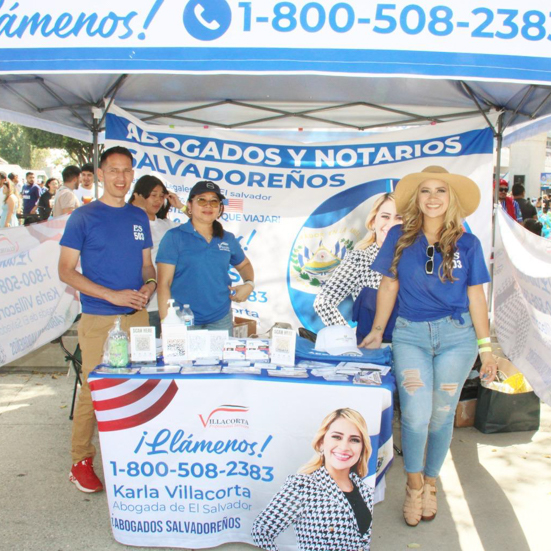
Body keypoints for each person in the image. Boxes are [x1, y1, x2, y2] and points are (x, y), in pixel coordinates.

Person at [361, 166, 498, 527]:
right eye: (425, 191)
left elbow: (476, 296)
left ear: (450, 198)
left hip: (458, 337)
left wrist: (487, 347)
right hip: (410, 336)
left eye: (441, 190)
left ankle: (432, 484)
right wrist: (378, 330)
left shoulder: (468, 243)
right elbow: (388, 285)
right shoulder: (398, 238)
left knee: (441, 415)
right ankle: (413, 483)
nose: (433, 197)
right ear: (416, 198)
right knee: (417, 415)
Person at [58, 146, 156, 493]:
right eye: (114, 170)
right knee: (96, 390)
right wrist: (111, 295)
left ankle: (132, 456)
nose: (121, 177)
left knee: (138, 386)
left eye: (127, 171)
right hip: (100, 318)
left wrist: (150, 284)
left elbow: (147, 265)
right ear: (100, 174)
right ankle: (80, 460)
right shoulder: (83, 217)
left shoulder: (138, 217)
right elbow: (66, 272)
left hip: (137, 316)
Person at [252, 408, 373, 551]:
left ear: (362, 448)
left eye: (354, 440)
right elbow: (261, 530)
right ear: (321, 442)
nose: (344, 447)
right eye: (337, 437)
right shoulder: (302, 486)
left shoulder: (366, 491)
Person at [156, 180, 254, 332]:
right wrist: (167, 322)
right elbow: (164, 284)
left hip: (221, 319)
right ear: (190, 205)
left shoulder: (227, 238)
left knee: (221, 357)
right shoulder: (174, 237)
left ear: (220, 208)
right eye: (201, 200)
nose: (208, 206)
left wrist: (249, 283)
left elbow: (244, 265)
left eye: (214, 202)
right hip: (183, 319)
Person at [314, 192, 402, 343]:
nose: (391, 224)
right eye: (385, 216)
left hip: (411, 349)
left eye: (399, 218)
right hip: (370, 350)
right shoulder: (360, 259)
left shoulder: (415, 261)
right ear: (373, 222)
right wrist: (348, 339)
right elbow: (324, 301)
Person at [129, 174, 181, 336]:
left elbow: (201, 226)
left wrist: (181, 206)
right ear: (138, 195)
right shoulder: (129, 223)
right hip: (142, 302)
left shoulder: (166, 225)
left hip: (166, 302)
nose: (158, 200)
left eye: (161, 196)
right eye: (153, 195)